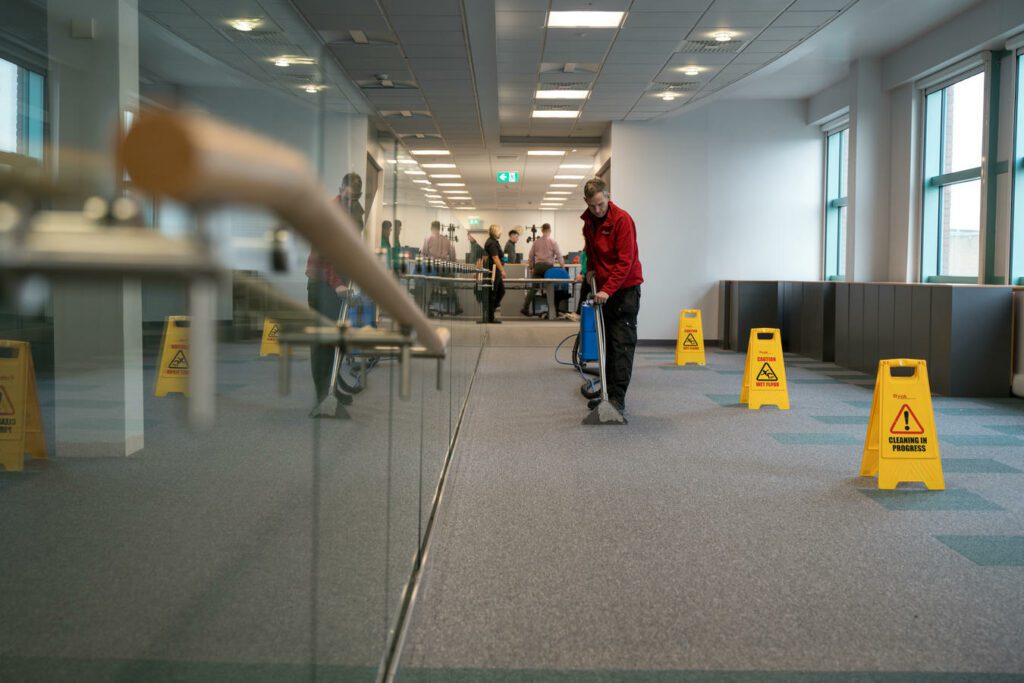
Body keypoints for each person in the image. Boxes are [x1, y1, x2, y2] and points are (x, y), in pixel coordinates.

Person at [580, 177, 643, 414]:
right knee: (606, 346)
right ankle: (607, 392)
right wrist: (591, 270)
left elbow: (625, 261)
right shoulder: (589, 222)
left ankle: (617, 399)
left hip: (624, 290)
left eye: (600, 204)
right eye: (592, 205)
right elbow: (592, 250)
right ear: (586, 202)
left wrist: (608, 288)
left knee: (621, 346)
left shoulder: (622, 220)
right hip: (605, 291)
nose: (597, 210)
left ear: (607, 196)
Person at [306, 172, 363, 414]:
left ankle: (332, 388)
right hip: (322, 283)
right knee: (323, 341)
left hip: (340, 283)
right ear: (340, 189)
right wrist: (337, 283)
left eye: (355, 198)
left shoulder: (356, 212)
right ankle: (322, 395)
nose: (350, 202)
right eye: (347, 197)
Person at [520, 223, 564, 317]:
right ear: (550, 231)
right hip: (549, 268)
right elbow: (559, 256)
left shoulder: (536, 242)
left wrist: (532, 267)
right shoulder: (553, 242)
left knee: (534, 288)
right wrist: (563, 267)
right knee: (550, 289)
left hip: (538, 267)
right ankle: (551, 312)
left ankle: (525, 307)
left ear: (542, 230)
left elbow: (531, 256)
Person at [482, 224, 506, 324]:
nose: (501, 233)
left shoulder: (494, 242)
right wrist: (502, 270)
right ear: (496, 232)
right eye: (499, 231)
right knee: (493, 293)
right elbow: (495, 258)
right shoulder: (491, 243)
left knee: (501, 291)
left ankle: (490, 311)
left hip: (496, 271)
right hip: (493, 271)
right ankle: (490, 316)